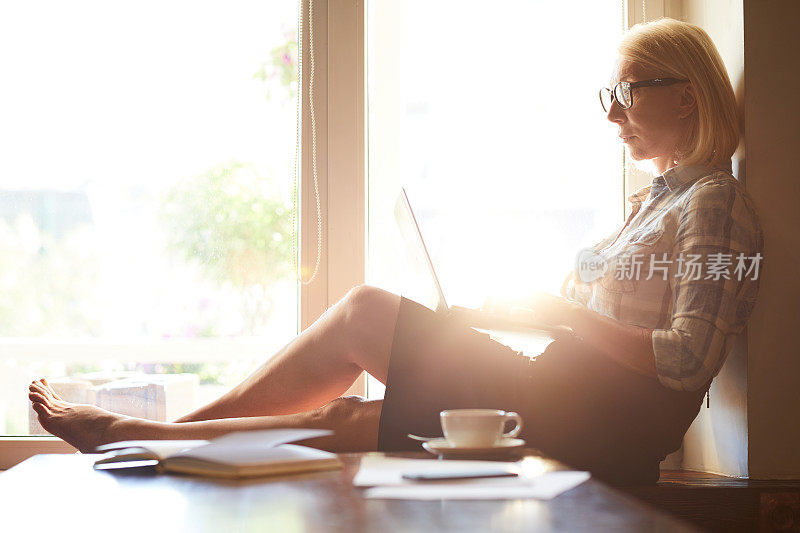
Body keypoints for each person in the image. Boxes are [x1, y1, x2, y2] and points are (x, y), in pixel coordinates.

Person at [29, 18, 763, 485]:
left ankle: (143, 436)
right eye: (608, 94)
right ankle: (147, 440)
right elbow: (601, 329)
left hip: (598, 419)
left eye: (626, 92)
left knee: (364, 313)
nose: (611, 113)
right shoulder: (655, 202)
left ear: (686, 97)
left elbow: (682, 359)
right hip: (559, 388)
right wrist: (519, 314)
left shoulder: (714, 201)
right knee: (356, 419)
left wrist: (562, 316)